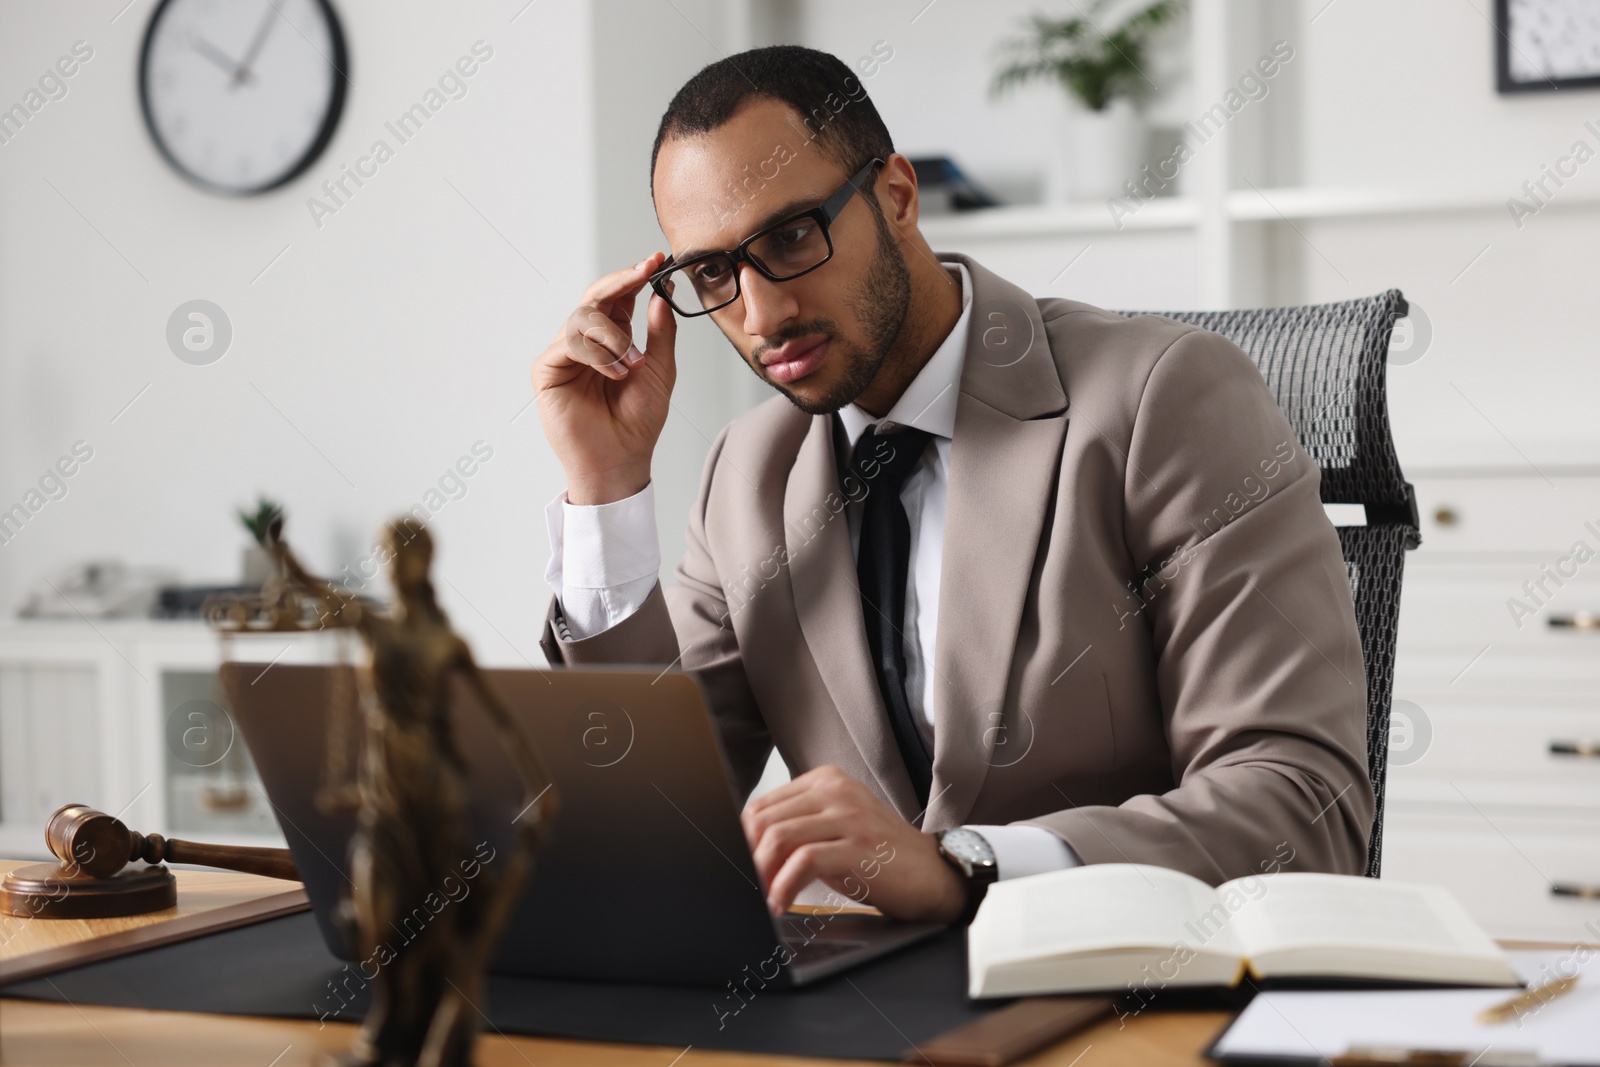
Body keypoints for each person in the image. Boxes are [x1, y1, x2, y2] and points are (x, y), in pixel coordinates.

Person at [531, 45, 1371, 926]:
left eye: (790, 237)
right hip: (850, 1014)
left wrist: (965, 866)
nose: (761, 312)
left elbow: (1303, 808)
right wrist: (607, 487)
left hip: (1121, 1000)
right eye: (712, 272)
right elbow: (656, 829)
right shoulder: (745, 476)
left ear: (896, 196)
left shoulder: (1164, 400)